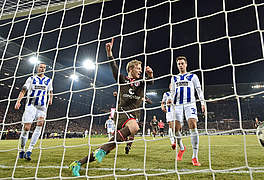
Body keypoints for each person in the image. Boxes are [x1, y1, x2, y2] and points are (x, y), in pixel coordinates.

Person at [70, 38, 154, 176]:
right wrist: (109, 53)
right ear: (131, 69)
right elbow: (114, 67)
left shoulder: (141, 81)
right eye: (138, 69)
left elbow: (150, 82)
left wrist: (150, 75)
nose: (140, 71)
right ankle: (100, 151)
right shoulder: (123, 79)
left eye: (141, 69)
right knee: (135, 128)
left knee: (109, 146)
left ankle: (78, 164)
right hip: (123, 113)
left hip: (133, 115)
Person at [167, 56, 205, 166]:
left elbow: (199, 90)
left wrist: (202, 103)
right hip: (177, 105)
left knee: (192, 125)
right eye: (179, 64)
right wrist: (170, 99)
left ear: (186, 64)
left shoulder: (193, 76)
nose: (180, 65)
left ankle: (195, 156)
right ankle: (182, 147)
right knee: (175, 129)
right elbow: (173, 92)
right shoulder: (174, 78)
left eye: (182, 63)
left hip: (190, 104)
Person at [15, 63, 53, 161]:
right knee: (27, 128)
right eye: (41, 67)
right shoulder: (31, 79)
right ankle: (22, 149)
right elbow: (23, 90)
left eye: (44, 68)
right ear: (37, 68)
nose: (43, 69)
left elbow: (50, 91)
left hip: (42, 107)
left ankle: (30, 149)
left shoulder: (49, 80)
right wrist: (18, 101)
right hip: (30, 106)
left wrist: (50, 99)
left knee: (40, 124)